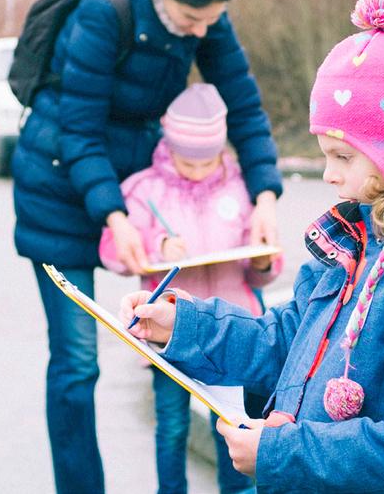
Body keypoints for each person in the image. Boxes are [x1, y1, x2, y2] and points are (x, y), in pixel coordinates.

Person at [121, 0, 384, 493]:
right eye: (326, 155)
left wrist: (283, 453)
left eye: (343, 157)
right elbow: (288, 342)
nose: (329, 175)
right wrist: (184, 327)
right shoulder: (360, 233)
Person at [12, 0, 284, 493]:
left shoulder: (204, 14)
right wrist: (113, 215)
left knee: (159, 335)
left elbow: (245, 105)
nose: (200, 31)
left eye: (210, 20)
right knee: (78, 362)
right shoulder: (103, 12)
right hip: (59, 188)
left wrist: (264, 195)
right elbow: (78, 131)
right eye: (191, 20)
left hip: (130, 187)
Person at [99, 83, 282, 494]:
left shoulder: (241, 188)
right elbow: (112, 251)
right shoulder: (145, 191)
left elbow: (265, 269)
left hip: (231, 333)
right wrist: (156, 246)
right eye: (187, 162)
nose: (198, 171)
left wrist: (263, 260)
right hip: (168, 338)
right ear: (170, 146)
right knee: (172, 427)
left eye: (207, 161)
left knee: (234, 427)